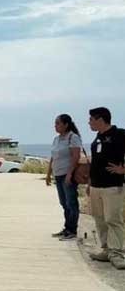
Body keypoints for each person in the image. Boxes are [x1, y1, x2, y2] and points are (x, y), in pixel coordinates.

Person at [86, 107, 125, 269]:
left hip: (113, 186)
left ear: (100, 119)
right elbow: (95, 163)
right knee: (100, 218)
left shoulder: (120, 134)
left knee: (112, 219)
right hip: (96, 186)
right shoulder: (97, 139)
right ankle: (106, 249)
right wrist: (89, 183)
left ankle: (117, 253)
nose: (89, 122)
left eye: (91, 119)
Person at [45, 114, 83, 241]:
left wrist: (70, 174)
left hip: (68, 175)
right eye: (55, 123)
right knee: (64, 203)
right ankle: (67, 228)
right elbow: (53, 157)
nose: (55, 126)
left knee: (71, 203)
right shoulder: (56, 139)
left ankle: (72, 230)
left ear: (66, 124)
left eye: (58, 123)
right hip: (58, 174)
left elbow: (75, 156)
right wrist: (49, 174)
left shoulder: (73, 137)